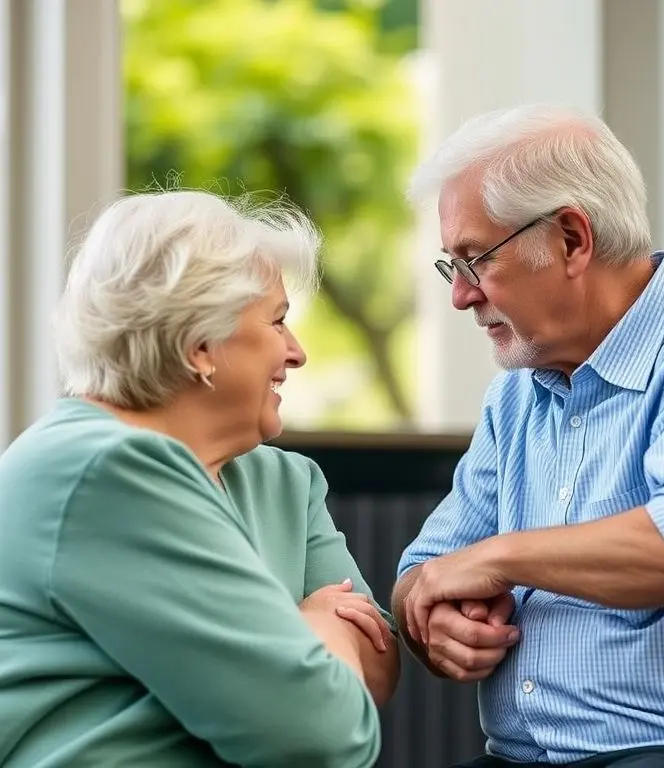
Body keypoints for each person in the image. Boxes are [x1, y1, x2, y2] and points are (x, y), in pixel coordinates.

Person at [391, 104, 664, 768]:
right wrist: (432, 622)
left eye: (475, 260)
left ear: (571, 238)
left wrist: (500, 557)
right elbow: (429, 566)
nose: (461, 296)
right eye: (451, 267)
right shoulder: (517, 388)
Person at [0, 190, 399, 768]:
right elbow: (322, 732)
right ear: (201, 344)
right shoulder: (100, 470)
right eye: (279, 321)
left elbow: (379, 667)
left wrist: (283, 666)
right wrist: (312, 624)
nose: (298, 353)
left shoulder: (285, 481)